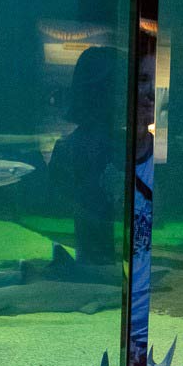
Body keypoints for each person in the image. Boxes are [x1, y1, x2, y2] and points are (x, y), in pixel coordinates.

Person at [48, 46, 127, 265]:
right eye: (119, 89)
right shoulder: (70, 147)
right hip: (94, 256)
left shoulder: (127, 144)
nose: (125, 97)